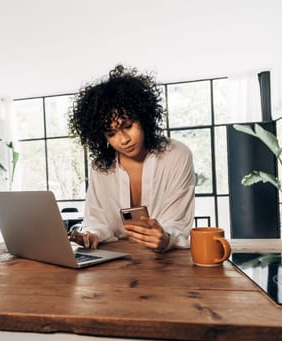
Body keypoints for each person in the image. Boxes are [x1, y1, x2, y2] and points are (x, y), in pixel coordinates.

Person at [67, 64, 195, 252]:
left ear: (144, 117)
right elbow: (97, 220)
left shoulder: (177, 155)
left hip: (168, 262)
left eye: (127, 125)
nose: (123, 139)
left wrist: (166, 238)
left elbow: (177, 223)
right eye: (111, 133)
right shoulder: (100, 167)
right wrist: (91, 235)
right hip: (115, 263)